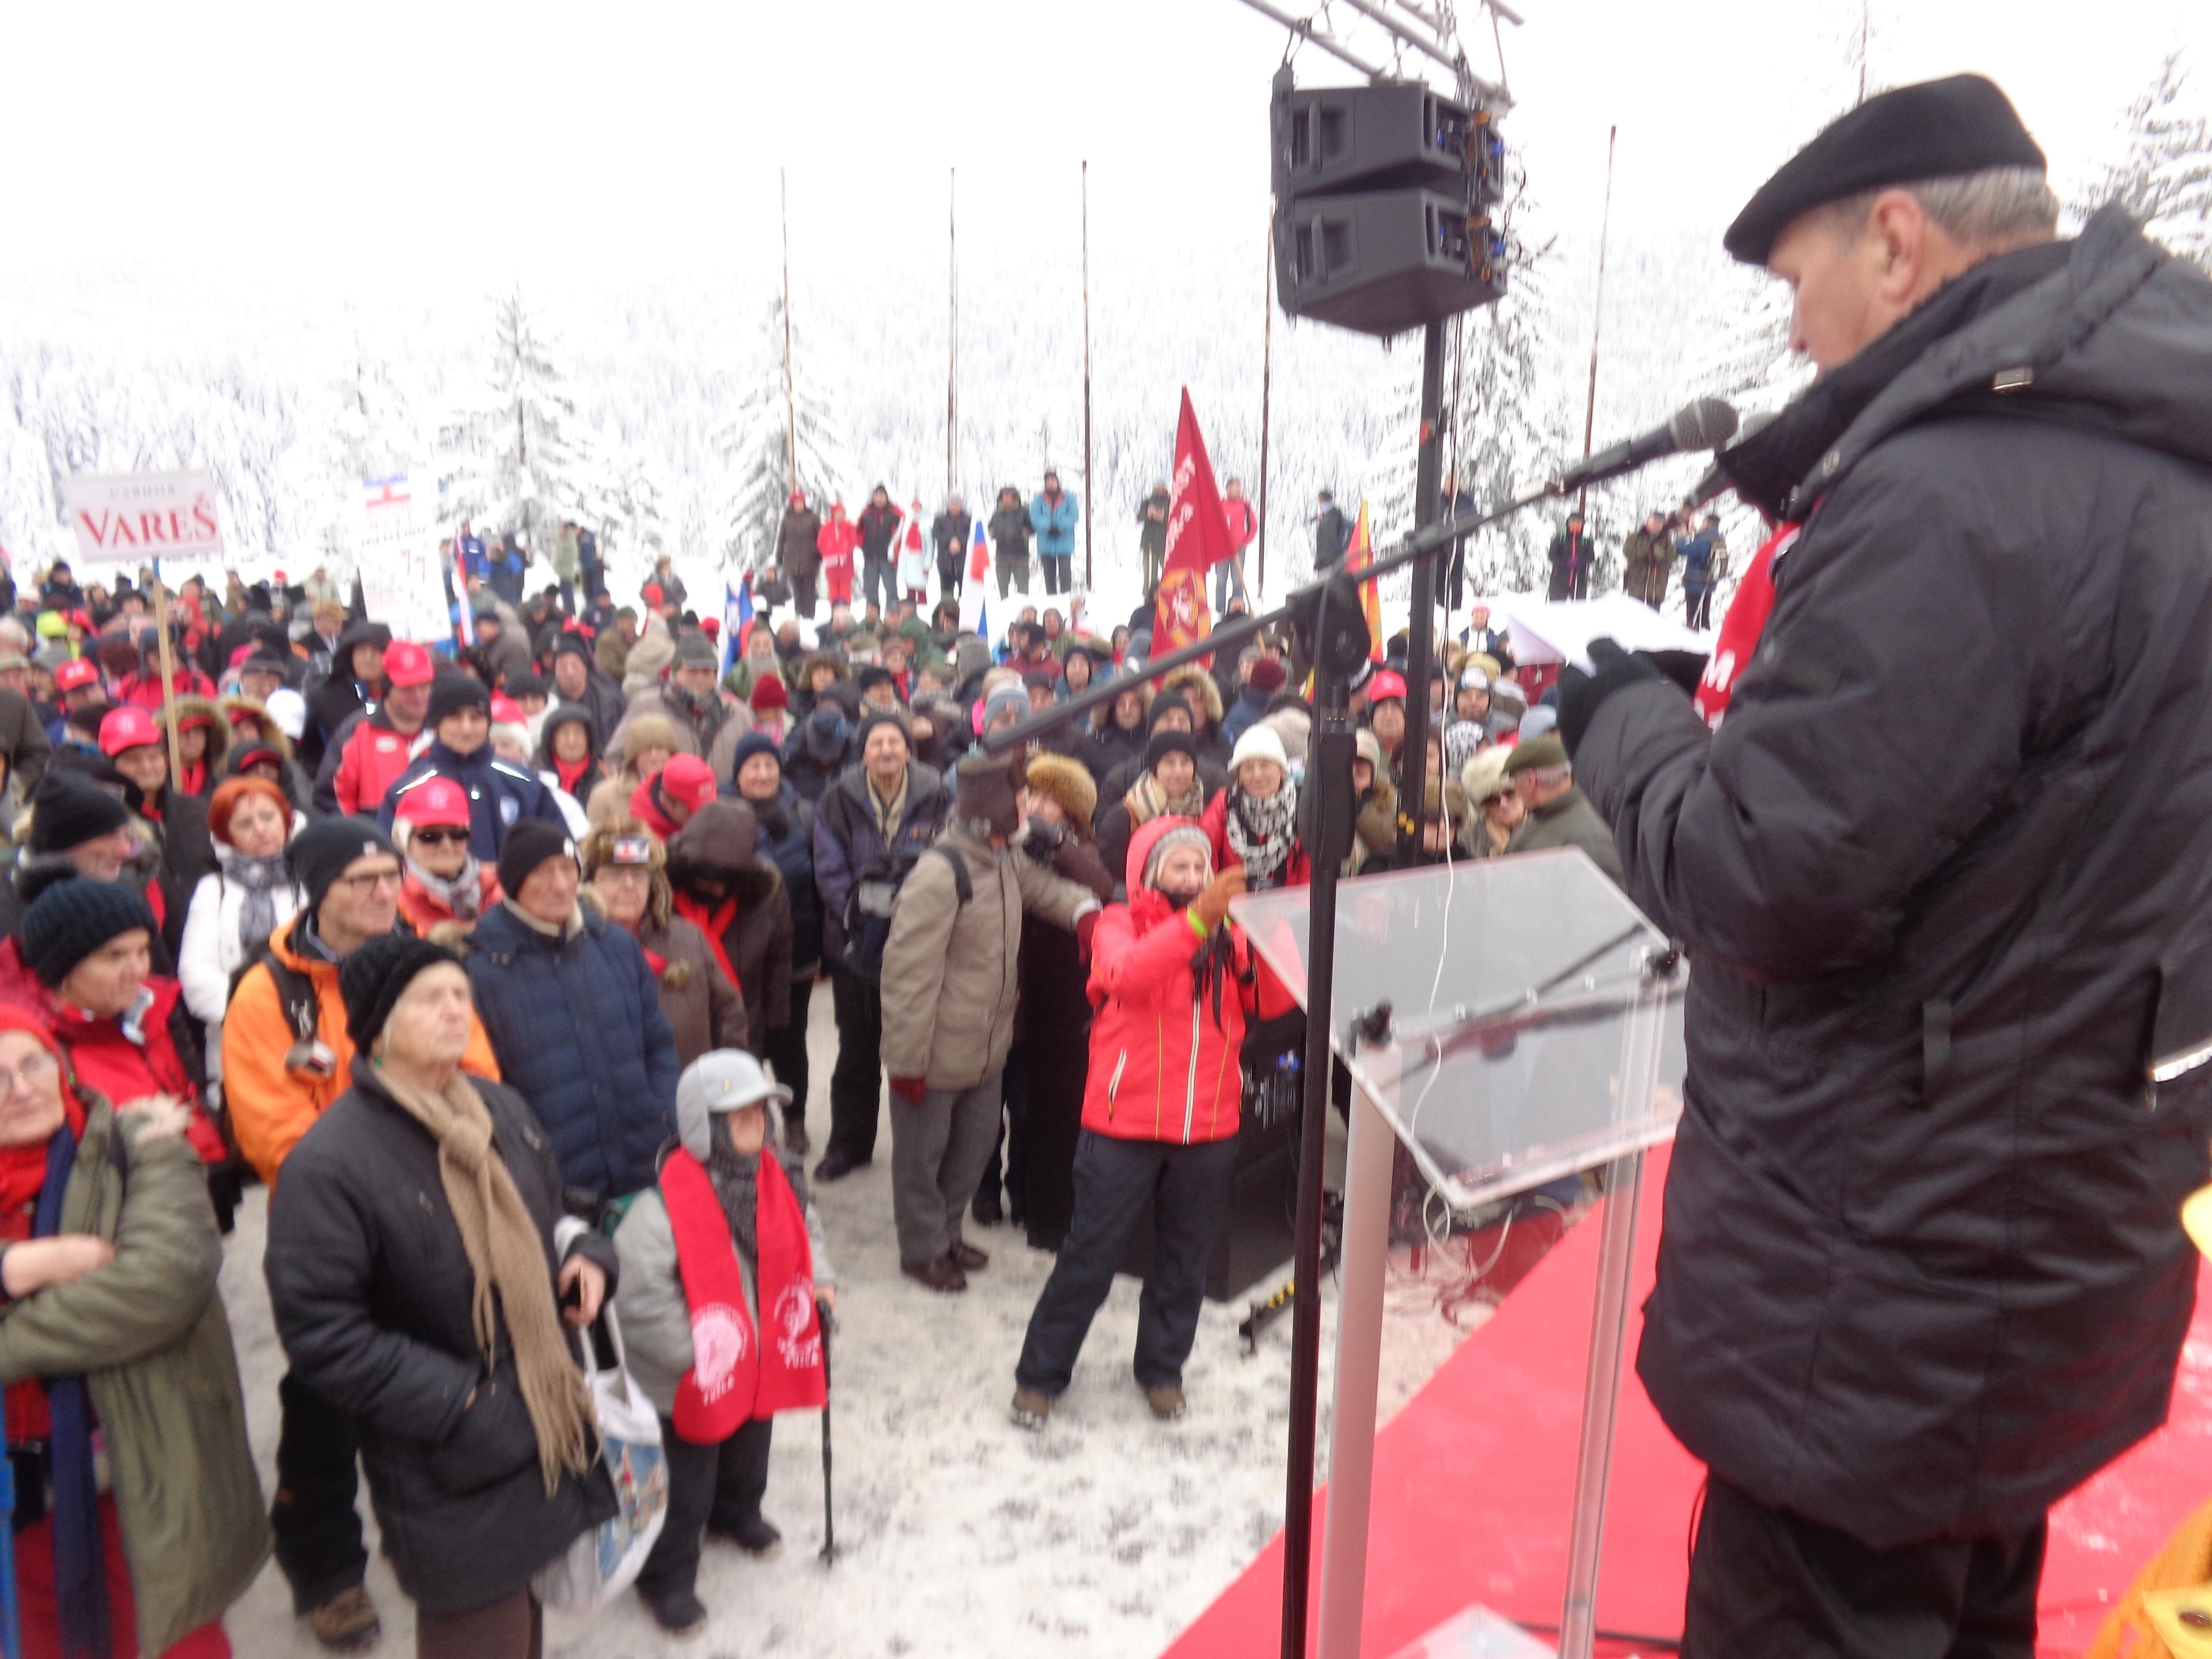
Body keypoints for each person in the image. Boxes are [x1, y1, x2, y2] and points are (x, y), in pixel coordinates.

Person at [1555, 74, 2212, 1657]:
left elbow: (1764, 876)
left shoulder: (1953, 496)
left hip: (1876, 1297)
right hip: (2044, 1249)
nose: (1791, 337)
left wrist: (1621, 724)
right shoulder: (2161, 468)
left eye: (1798, 285)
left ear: (1900, 242)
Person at [264, 934, 619, 1659]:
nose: (457, 1009)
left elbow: (554, 1208)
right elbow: (322, 1332)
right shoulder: (331, 1162)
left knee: (526, 1624)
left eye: (461, 993)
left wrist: (587, 1253)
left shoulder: (495, 1104)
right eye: (432, 998)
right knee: (480, 1634)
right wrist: (462, 1403)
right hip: (448, 1457)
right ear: (379, 1023)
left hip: (544, 1419)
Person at [224, 816, 502, 1652]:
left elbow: (478, 1075)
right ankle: (326, 1568)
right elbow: (270, 1127)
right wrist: (381, 1171)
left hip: (440, 1212)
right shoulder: (271, 992)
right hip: (331, 1231)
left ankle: (460, 1541)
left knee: (446, 1378)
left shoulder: (428, 965)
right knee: (327, 1398)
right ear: (320, 889)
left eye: (391, 874)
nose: (387, 891)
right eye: (363, 880)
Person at [0, 1003, 269, 1659]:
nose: (20, 1089)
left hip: (142, 1478)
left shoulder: (140, 1146)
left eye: (31, 1063)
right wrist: (15, 1266)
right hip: (21, 1510)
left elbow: (159, 1287)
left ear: (58, 1064)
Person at [1011, 821, 1263, 1426]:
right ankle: (1040, 1376)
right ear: (1149, 874)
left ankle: (1162, 1369)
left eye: (1200, 868)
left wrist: (1265, 937)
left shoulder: (1226, 930)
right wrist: (1199, 919)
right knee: (1089, 1257)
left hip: (1207, 1126)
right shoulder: (1117, 922)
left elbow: (1271, 1003)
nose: (1193, 879)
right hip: (1123, 1126)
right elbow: (1126, 975)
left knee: (1185, 1261)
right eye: (1179, 868)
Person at [614, 1050, 832, 1634]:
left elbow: (808, 1234)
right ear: (704, 1127)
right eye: (740, 1119)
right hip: (691, 1377)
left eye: (762, 1114)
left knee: (749, 1449)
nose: (758, 1127)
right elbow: (639, 1299)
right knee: (686, 1483)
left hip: (761, 1361)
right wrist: (701, 1356)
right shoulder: (662, 1207)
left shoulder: (779, 1179)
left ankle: (738, 1513)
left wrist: (822, 1287)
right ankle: (666, 1576)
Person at [878, 756, 1101, 1291]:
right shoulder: (941, 873)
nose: (1030, 809)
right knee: (922, 1161)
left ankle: (947, 1233)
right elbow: (906, 977)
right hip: (935, 1053)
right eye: (1022, 800)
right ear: (996, 810)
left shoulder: (1003, 857)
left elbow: (1046, 892)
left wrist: (1087, 912)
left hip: (988, 1047)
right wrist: (906, 1062)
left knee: (972, 1149)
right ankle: (921, 1250)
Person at [976, 756, 1114, 1247]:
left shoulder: (1081, 849)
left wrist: (1058, 844)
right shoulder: (1005, 847)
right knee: (989, 1103)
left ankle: (1024, 1191)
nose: (1033, 806)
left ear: (1071, 812)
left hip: (1052, 1003)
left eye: (1046, 798)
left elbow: (1102, 887)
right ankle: (985, 1189)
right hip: (1004, 994)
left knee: (1033, 1108)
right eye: (1028, 796)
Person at [810, 713, 952, 1182]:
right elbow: (828, 868)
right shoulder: (839, 798)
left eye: (895, 742)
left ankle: (929, 1158)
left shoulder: (937, 794)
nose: (886, 751)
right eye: (877, 743)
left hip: (921, 945)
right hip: (855, 944)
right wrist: (859, 912)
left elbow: (949, 858)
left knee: (924, 1054)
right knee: (856, 1050)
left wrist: (913, 912)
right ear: (863, 751)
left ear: (909, 750)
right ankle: (849, 1145)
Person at [581, 821, 748, 1067]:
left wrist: (727, 1083)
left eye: (639, 875)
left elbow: (730, 1015)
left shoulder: (689, 939)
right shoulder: (571, 950)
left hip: (691, 1095)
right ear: (590, 883)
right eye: (615, 875)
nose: (629, 885)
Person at [179, 775, 304, 1094]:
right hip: (238, 1045)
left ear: (286, 820)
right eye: (245, 824)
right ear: (227, 835)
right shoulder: (213, 890)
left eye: (268, 817)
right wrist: (259, 1014)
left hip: (312, 1038)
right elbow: (196, 975)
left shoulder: (312, 881)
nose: (260, 829)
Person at [732, 734, 820, 1153]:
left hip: (795, 953)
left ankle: (796, 1119)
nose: (763, 774)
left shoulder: (802, 812)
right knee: (744, 1042)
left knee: (790, 1041)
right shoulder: (722, 813)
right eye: (754, 766)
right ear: (738, 773)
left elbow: (819, 879)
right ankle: (750, 1128)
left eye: (770, 765)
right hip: (738, 957)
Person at [378, 676, 567, 859]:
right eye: (455, 717)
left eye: (476, 718)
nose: (466, 728)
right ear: (436, 724)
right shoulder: (406, 791)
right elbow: (387, 863)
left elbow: (561, 852)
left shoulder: (526, 786)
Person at [666, 800, 790, 1060]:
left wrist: (777, 1024)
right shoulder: (664, 891)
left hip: (746, 1025)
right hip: (681, 1034)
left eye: (727, 881)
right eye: (709, 881)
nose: (720, 890)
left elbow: (779, 957)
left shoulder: (767, 891)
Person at [609, 630, 752, 783]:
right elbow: (615, 758)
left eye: (707, 671)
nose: (700, 679)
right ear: (675, 673)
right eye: (692, 671)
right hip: (663, 803)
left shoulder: (738, 714)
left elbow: (753, 762)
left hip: (723, 805)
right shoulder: (646, 705)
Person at [318, 638, 435, 816]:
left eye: (424, 686)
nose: (418, 696)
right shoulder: (356, 732)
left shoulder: (446, 730)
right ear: (387, 688)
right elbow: (327, 800)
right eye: (408, 688)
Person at [1096, 729, 1214, 893]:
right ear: (1154, 768)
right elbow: (1110, 882)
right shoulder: (1125, 816)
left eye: (1186, 762)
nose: (1179, 771)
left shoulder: (1204, 809)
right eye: (1169, 763)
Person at [1496, 734, 1624, 884]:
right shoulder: (1538, 819)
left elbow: (1600, 905)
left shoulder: (1590, 840)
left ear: (1531, 781)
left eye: (1514, 781)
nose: (1515, 788)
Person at [1202, 724, 1309, 893]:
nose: (1257, 775)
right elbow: (1205, 856)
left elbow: (1309, 880)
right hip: (1234, 910)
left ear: (1282, 771)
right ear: (1240, 776)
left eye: (1265, 765)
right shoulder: (1225, 804)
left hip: (1290, 910)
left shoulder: (1302, 808)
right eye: (1248, 768)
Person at [393, 776, 502, 940]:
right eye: (430, 836)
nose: (447, 845)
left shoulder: (501, 890)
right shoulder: (391, 901)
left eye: (458, 834)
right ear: (405, 842)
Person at [302, 620, 391, 776]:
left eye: (376, 651)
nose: (369, 658)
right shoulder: (325, 698)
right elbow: (309, 755)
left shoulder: (402, 697)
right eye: (362, 651)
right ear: (350, 655)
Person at [587, 711, 680, 828]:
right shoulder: (604, 795)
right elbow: (594, 842)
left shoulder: (687, 790)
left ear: (671, 753)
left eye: (660, 748)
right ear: (634, 757)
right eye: (646, 749)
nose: (654, 756)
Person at [548, 632, 626, 745]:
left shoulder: (612, 702)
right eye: (563, 667)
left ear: (585, 667)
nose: (570, 673)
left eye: (575, 665)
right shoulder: (547, 706)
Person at [534, 700, 607, 815]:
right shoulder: (538, 778)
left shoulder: (603, 781)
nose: (571, 741)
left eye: (578, 733)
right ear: (552, 741)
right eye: (564, 734)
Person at [1457, 745, 1525, 858]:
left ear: (1523, 791)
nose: (1503, 804)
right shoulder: (1469, 838)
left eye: (1510, 793)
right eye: (1492, 800)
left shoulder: (1542, 826)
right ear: (1483, 805)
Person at [1029, 471, 1080, 599]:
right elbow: (1035, 517)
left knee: (1065, 576)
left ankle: (1066, 601)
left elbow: (1074, 516)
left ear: (1058, 482)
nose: (1051, 483)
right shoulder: (1038, 499)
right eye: (1048, 481)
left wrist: (1059, 526)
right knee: (1049, 579)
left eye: (1053, 480)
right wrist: (1048, 526)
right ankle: (1051, 603)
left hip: (1065, 542)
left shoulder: (1069, 498)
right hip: (1046, 543)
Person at [856, 485, 903, 615]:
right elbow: (858, 531)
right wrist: (862, 545)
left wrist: (897, 551)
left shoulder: (895, 513)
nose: (879, 498)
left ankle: (892, 619)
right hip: (870, 557)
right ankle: (872, 620)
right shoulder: (866, 513)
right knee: (871, 592)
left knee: (891, 591)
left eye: (882, 496)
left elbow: (904, 531)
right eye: (877, 495)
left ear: (887, 497)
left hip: (889, 559)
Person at [778, 491, 824, 618]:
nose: (799, 505)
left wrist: (820, 553)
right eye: (796, 503)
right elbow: (782, 539)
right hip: (792, 561)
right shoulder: (787, 519)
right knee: (797, 590)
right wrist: (779, 555)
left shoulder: (813, 518)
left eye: (801, 503)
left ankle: (809, 616)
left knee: (809, 591)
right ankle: (799, 614)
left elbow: (821, 537)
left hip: (810, 560)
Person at [1679, 511, 1727, 628]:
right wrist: (1697, 534)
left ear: (1707, 523)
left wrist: (1681, 537)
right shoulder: (1718, 539)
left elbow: (1684, 550)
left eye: (1704, 522)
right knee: (1704, 617)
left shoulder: (1703, 541)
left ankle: (1692, 641)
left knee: (1693, 618)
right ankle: (1706, 639)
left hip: (1695, 584)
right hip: (1709, 584)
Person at [1216, 477, 1257, 611]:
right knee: (1221, 581)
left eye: (1239, 488)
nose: (1239, 491)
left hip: (1239, 548)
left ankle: (1237, 610)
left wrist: (1247, 540)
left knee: (1238, 581)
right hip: (1222, 548)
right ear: (1228, 489)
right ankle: (1220, 611)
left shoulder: (1245, 505)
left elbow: (1254, 524)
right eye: (1235, 488)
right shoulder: (1220, 504)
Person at [1621, 510, 1675, 609]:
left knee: (1653, 618)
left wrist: (1661, 555)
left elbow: (1672, 557)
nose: (1656, 524)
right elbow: (1627, 551)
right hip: (1637, 584)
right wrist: (1648, 552)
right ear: (1648, 521)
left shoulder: (1666, 540)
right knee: (1634, 614)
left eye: (1659, 522)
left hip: (1656, 587)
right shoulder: (1636, 537)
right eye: (1654, 521)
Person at [989, 487, 1033, 601]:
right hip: (1002, 557)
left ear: (1015, 497)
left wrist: (1027, 532)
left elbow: (1032, 528)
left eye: (1009, 496)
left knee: (1023, 592)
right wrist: (991, 533)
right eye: (1004, 496)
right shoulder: (996, 515)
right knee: (1003, 593)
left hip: (1020, 557)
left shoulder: (1024, 512)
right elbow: (989, 530)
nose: (1006, 499)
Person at [815, 501, 859, 611]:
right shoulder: (826, 528)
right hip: (831, 567)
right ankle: (834, 615)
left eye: (842, 513)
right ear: (833, 514)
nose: (840, 515)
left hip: (846, 567)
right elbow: (821, 544)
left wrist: (844, 553)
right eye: (838, 513)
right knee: (834, 594)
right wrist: (830, 554)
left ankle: (846, 613)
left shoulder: (850, 527)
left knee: (845, 594)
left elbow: (853, 542)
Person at [930, 493, 971, 599]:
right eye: (952, 504)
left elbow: (972, 534)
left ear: (961, 505)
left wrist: (960, 542)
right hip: (945, 563)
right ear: (948, 505)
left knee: (966, 597)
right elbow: (936, 533)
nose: (954, 506)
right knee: (946, 597)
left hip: (964, 564)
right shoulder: (940, 519)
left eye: (957, 504)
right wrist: (950, 542)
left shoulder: (968, 519)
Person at [1547, 512, 1594, 601]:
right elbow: (1552, 556)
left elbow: (1591, 558)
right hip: (1559, 580)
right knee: (1557, 609)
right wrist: (1566, 562)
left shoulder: (1587, 542)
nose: (1576, 525)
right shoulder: (1560, 539)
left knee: (1578, 610)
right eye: (1573, 522)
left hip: (1579, 580)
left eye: (1579, 523)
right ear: (1568, 524)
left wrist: (1579, 561)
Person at [1313, 488, 1348, 573]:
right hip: (1336, 564)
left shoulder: (1329, 521)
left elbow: (1328, 546)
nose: (1320, 505)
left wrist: (1322, 565)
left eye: (1321, 502)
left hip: (1328, 567)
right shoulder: (1335, 515)